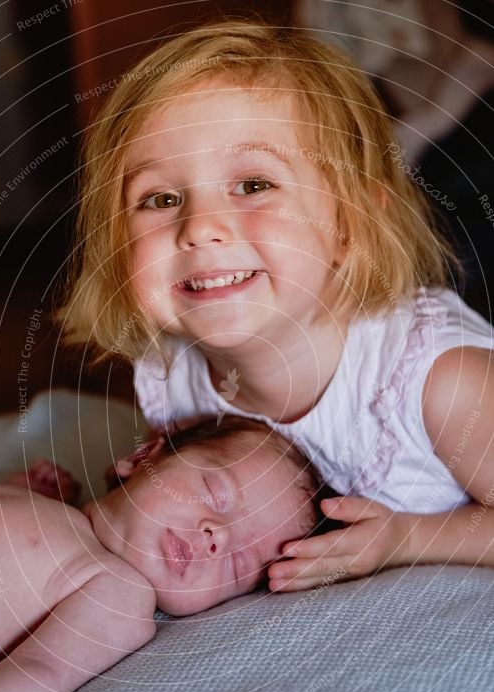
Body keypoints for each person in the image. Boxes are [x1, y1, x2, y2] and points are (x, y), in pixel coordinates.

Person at [59, 20, 494, 594]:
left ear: (350, 224)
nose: (200, 227)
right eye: (160, 199)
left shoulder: (442, 382)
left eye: (254, 185)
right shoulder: (177, 376)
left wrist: (409, 538)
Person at [0, 417, 322, 692]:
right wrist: (18, 488)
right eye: (216, 493)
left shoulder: (119, 593)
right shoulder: (56, 513)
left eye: (238, 562)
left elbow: (41, 672)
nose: (218, 537)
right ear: (141, 457)